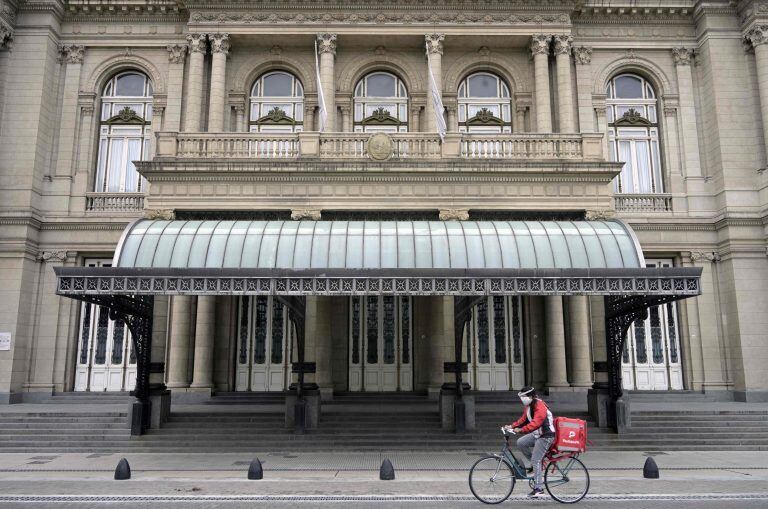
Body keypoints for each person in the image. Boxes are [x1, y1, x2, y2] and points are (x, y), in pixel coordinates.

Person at [505, 386, 555, 499]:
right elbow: (523, 420)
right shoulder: (529, 406)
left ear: (531, 396)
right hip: (538, 434)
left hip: (546, 436)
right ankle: (535, 465)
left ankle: (539, 488)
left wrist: (521, 430)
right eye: (521, 397)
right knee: (521, 442)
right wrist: (511, 426)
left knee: (536, 459)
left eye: (524, 397)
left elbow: (536, 423)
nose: (522, 399)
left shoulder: (539, 405)